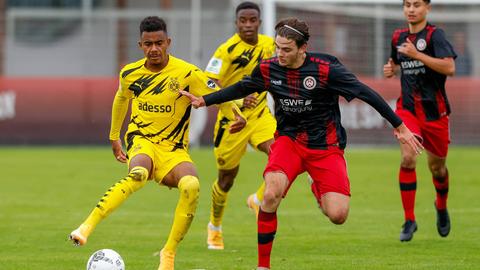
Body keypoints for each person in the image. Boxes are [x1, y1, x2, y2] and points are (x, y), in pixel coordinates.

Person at [182, 17, 423, 270]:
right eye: (277, 47)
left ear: (302, 48)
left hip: (325, 147)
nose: (280, 53)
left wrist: (400, 126)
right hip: (289, 141)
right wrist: (204, 101)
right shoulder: (269, 69)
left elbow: (367, 94)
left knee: (338, 215)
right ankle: (263, 266)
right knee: (271, 193)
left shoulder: (326, 70)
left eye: (286, 49)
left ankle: (316, 186)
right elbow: (242, 87)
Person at [68, 16, 246, 270]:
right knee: (139, 173)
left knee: (192, 185)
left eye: (159, 43)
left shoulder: (187, 73)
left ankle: (168, 253)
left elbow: (217, 94)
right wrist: (114, 137)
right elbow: (121, 100)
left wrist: (236, 115)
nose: (154, 49)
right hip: (142, 140)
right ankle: (86, 227)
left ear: (168, 42)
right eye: (148, 43)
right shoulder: (129, 73)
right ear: (140, 45)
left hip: (173, 149)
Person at [203, 1, 276, 250]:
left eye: (252, 20)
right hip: (231, 122)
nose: (247, 25)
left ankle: (257, 199)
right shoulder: (226, 50)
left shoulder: (269, 45)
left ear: (259, 22)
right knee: (226, 180)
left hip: (260, 117)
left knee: (282, 156)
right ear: (236, 23)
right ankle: (214, 227)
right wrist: (237, 99)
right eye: (242, 20)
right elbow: (208, 84)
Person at [383, 0, 456, 242]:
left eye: (416, 4)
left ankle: (441, 205)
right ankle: (409, 219)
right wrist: (391, 69)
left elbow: (449, 67)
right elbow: (395, 62)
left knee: (438, 168)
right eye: (407, 5)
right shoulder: (397, 36)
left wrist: (418, 55)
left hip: (435, 112)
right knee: (407, 158)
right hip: (408, 110)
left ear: (427, 8)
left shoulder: (436, 35)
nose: (411, 9)